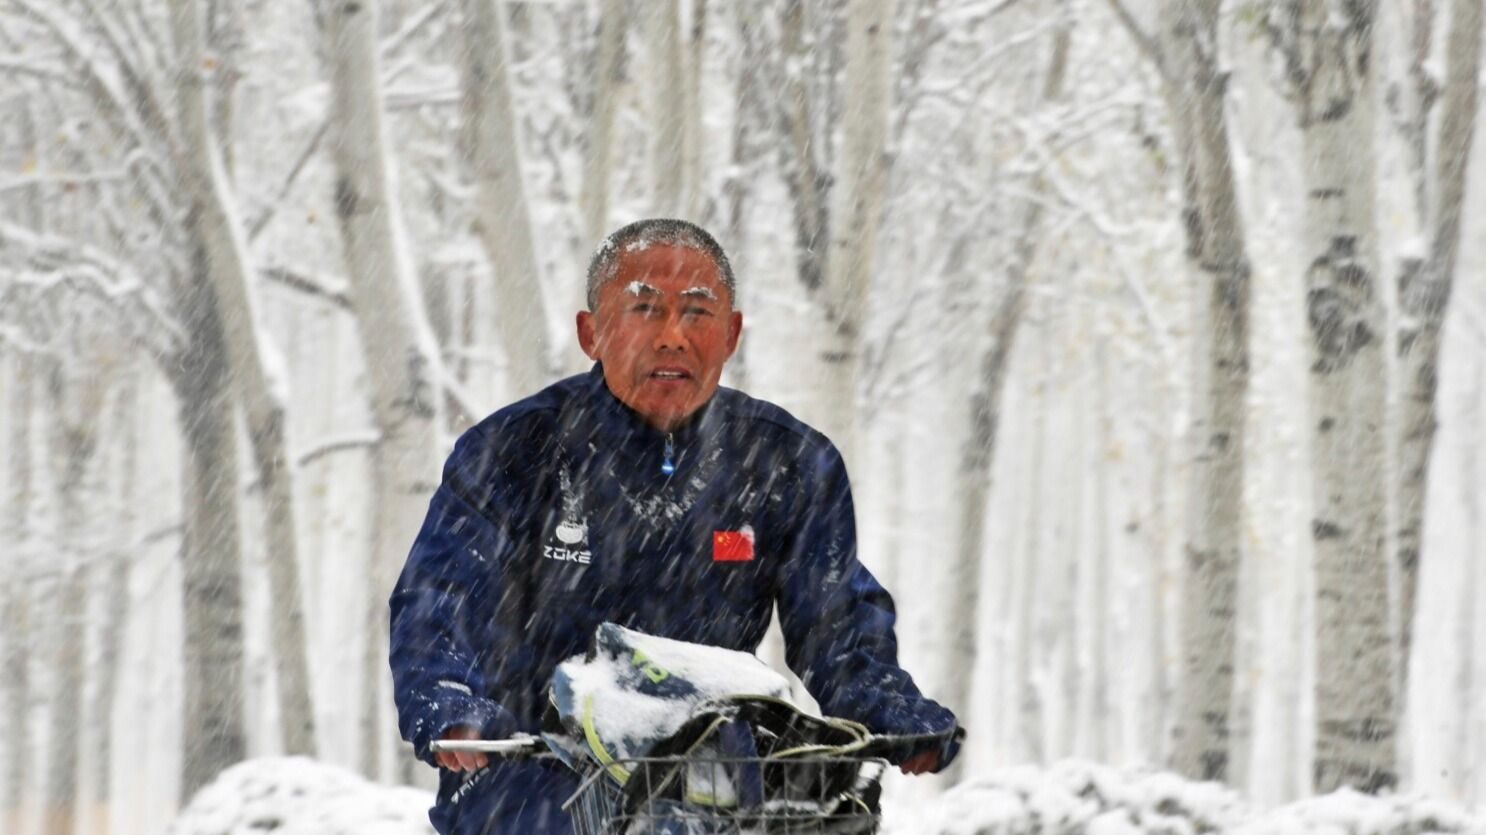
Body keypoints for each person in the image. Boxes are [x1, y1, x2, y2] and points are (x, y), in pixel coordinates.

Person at [389, 219, 960, 834]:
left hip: (712, 778)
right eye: (643, 308)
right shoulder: (510, 451)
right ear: (591, 333)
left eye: (697, 313)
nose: (672, 337)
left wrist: (886, 706)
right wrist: (448, 705)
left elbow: (836, 623)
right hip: (530, 781)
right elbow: (437, 601)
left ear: (732, 333)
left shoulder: (789, 462)